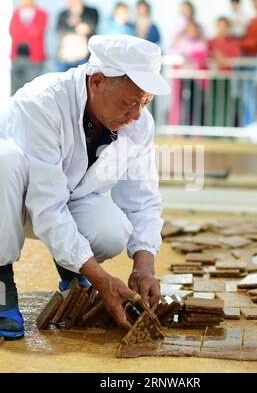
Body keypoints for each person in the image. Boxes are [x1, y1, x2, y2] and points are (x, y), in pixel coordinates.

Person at [0, 34, 170, 339]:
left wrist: (144, 266)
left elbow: (141, 199)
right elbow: (46, 206)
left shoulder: (138, 122)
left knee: (111, 228)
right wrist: (102, 279)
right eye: (130, 103)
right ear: (97, 81)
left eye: (145, 103)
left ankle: (73, 271)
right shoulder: (43, 102)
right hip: (8, 201)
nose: (136, 116)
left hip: (58, 199)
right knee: (5, 160)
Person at [9, 0, 48, 95]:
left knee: (33, 90)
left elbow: (37, 32)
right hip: (17, 57)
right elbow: (13, 32)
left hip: (34, 59)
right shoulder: (16, 13)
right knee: (15, 90)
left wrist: (23, 31)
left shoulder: (42, 14)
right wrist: (28, 31)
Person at [56, 0, 99, 71]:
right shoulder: (62, 14)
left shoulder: (91, 12)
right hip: (66, 58)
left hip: (85, 58)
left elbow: (91, 27)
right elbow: (60, 31)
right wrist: (77, 28)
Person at [209, 17, 241, 126]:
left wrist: (223, 59)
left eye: (224, 26)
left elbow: (236, 57)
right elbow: (207, 56)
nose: (222, 28)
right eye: (220, 26)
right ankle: (212, 129)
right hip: (214, 77)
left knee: (227, 104)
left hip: (227, 77)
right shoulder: (211, 42)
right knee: (213, 103)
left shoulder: (233, 42)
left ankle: (226, 128)